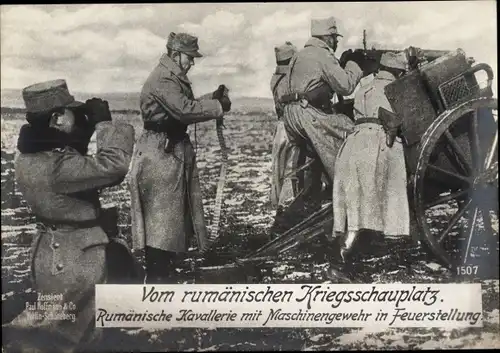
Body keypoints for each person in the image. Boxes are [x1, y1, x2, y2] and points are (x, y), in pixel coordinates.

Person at [3, 79, 135, 352]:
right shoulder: (59, 166)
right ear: (56, 117)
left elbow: (65, 155)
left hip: (50, 253)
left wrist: (78, 131)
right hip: (76, 258)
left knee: (59, 325)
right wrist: (104, 125)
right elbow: (114, 166)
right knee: (72, 338)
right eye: (70, 112)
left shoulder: (28, 156)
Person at [129, 32, 232, 284]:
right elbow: (184, 110)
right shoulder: (164, 78)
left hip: (167, 150)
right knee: (161, 221)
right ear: (176, 55)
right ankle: (157, 277)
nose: (192, 63)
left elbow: (183, 104)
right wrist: (218, 107)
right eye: (189, 57)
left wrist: (210, 99)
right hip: (160, 154)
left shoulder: (171, 76)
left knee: (169, 218)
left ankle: (162, 272)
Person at [279, 17, 377, 206]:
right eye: (335, 37)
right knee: (353, 137)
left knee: (322, 154)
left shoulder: (301, 55)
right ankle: (352, 197)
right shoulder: (322, 55)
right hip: (307, 114)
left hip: (292, 115)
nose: (337, 41)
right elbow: (346, 86)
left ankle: (317, 193)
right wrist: (354, 65)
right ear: (328, 38)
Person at [332, 51, 411, 270]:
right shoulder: (395, 89)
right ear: (398, 72)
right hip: (377, 140)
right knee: (391, 189)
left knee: (356, 197)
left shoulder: (364, 87)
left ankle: (347, 245)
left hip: (354, 142)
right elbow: (397, 122)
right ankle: (362, 247)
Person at [270, 41, 299, 210]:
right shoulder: (287, 80)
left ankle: (281, 206)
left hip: (281, 127)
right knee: (290, 169)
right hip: (289, 127)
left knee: (279, 171)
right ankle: (286, 207)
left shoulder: (276, 78)